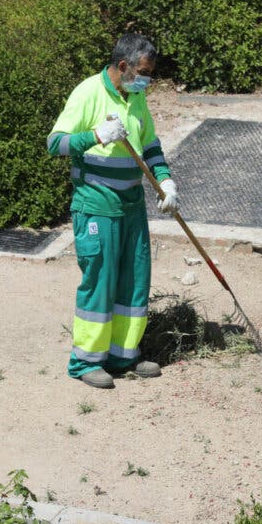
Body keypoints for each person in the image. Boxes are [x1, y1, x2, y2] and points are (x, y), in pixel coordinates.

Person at [46, 33, 179, 389]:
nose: (147, 79)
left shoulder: (136, 96)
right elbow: (54, 143)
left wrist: (165, 181)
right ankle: (86, 362)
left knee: (134, 280)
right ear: (123, 66)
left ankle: (123, 355)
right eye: (143, 72)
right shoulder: (87, 92)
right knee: (101, 282)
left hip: (132, 204)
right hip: (96, 205)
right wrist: (96, 135)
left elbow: (148, 143)